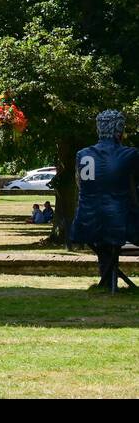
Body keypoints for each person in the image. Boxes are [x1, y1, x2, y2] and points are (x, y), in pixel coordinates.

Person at [69, 110, 139, 291]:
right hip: (119, 223)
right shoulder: (130, 154)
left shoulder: (82, 154)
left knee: (105, 242)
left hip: (85, 223)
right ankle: (109, 281)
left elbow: (80, 184)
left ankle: (106, 281)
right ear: (119, 129)